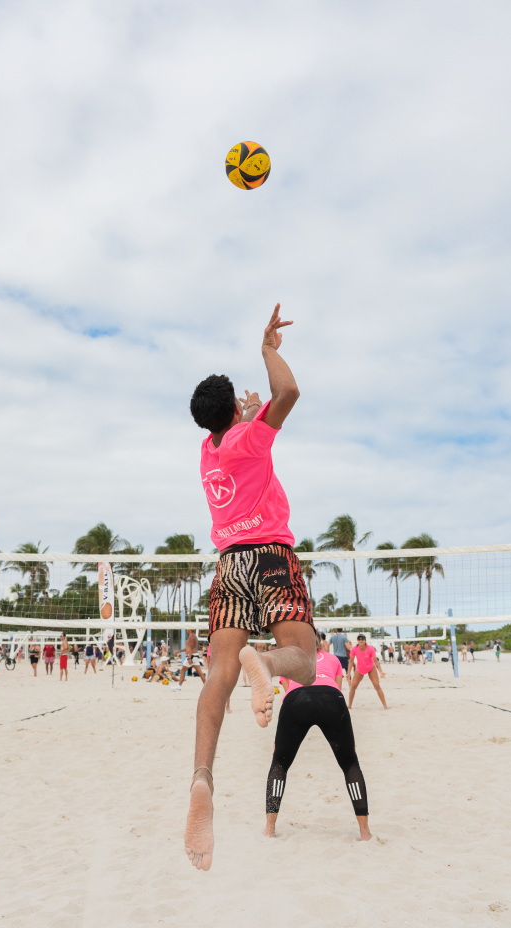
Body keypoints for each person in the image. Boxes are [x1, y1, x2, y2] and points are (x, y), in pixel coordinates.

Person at [183, 304, 316, 871]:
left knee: (219, 673)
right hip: (269, 557)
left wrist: (244, 408)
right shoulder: (249, 442)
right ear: (231, 408)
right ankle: (266, 658)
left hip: (228, 564)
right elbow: (288, 393)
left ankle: (202, 779)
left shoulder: (211, 449)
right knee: (306, 664)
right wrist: (267, 351)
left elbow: (249, 417)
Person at [265, 635, 371, 841]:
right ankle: (364, 832)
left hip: (297, 699)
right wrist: (348, 736)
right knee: (350, 762)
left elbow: (288, 692)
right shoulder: (332, 659)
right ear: (321, 643)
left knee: (280, 762)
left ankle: (270, 829)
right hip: (331, 699)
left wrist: (281, 737)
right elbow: (337, 690)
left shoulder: (291, 660)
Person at [347, 635, 387, 710]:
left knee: (377, 685)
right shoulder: (354, 649)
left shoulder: (370, 648)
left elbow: (376, 662)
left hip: (371, 667)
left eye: (362, 639)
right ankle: (349, 706)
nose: (361, 640)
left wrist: (380, 672)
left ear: (365, 641)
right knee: (353, 686)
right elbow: (351, 662)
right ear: (357, 641)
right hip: (359, 669)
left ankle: (385, 706)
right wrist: (348, 673)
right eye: (359, 639)